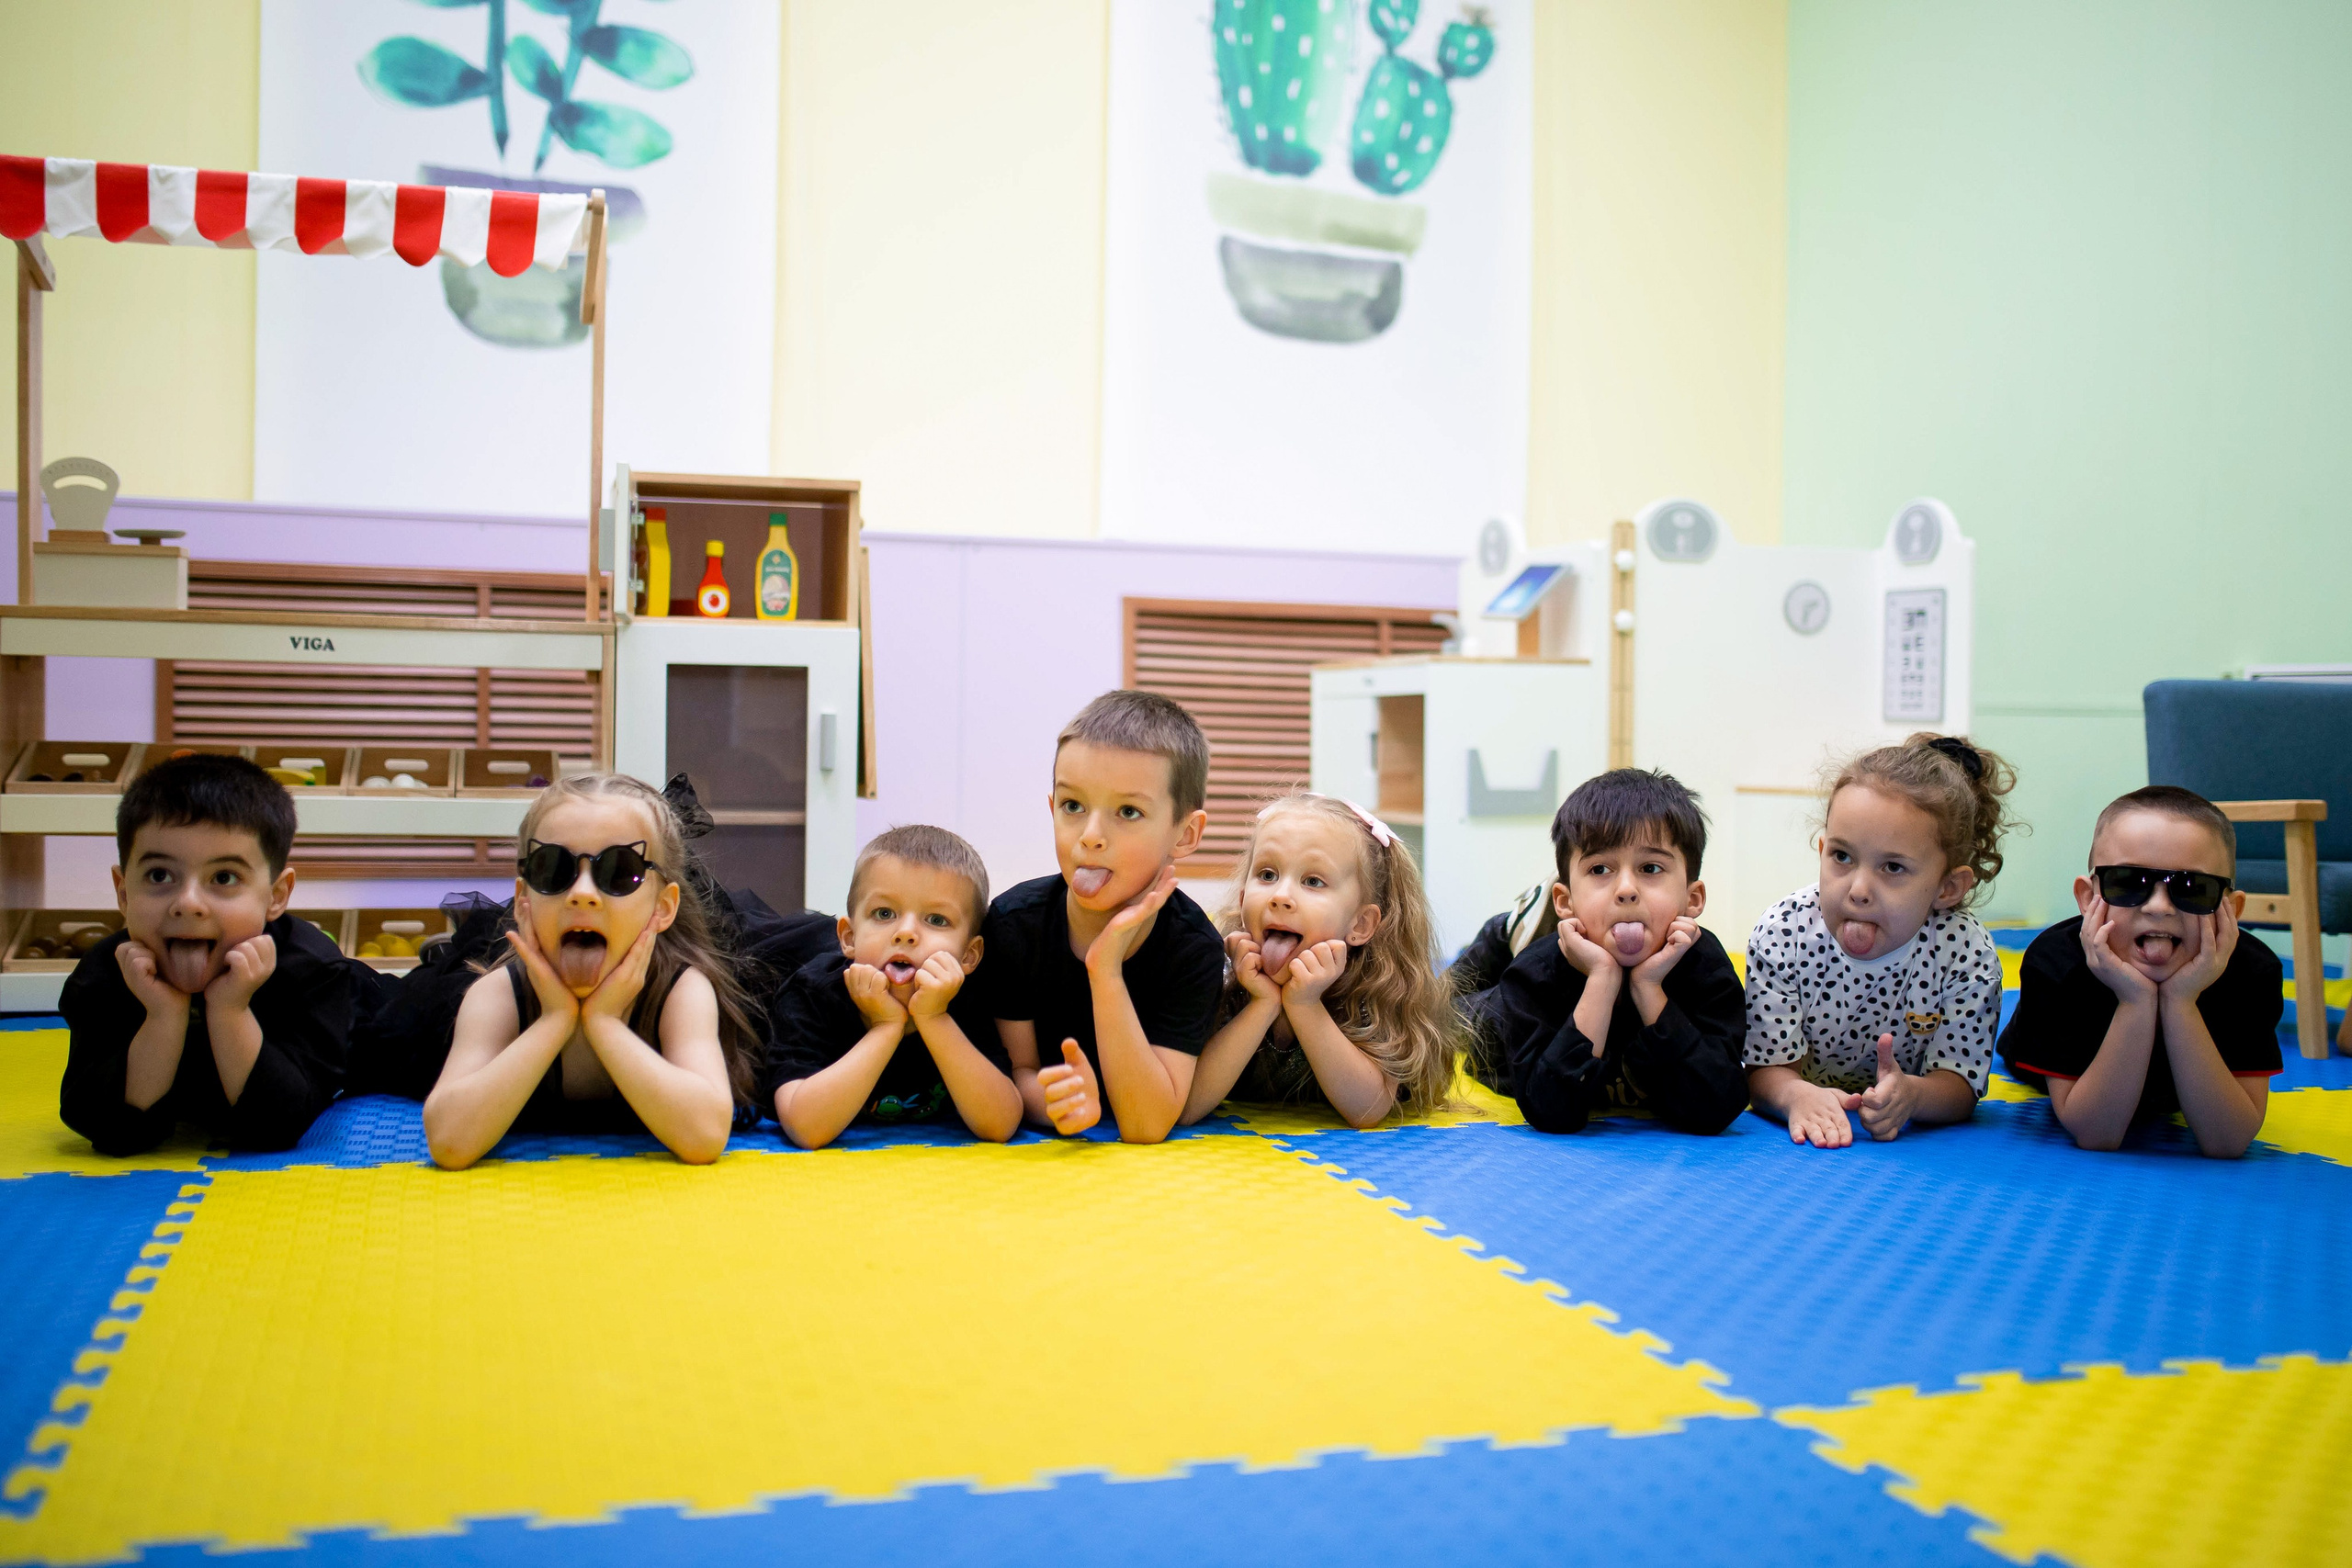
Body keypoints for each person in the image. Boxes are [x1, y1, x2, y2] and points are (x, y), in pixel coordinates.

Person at [422, 773, 762, 1168]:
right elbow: (448, 1142)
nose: (582, 894)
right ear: (522, 900)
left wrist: (604, 1023)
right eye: (553, 870)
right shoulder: (498, 995)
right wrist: (554, 1019)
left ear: (663, 908)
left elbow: (704, 1137)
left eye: (620, 872)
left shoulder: (680, 991)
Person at [60, 752, 360, 1156]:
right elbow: (104, 1126)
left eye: (223, 878)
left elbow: (278, 1127)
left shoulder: (312, 970)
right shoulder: (103, 975)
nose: (188, 903)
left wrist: (230, 1010)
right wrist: (163, 1017)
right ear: (123, 891)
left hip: (371, 1024)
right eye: (159, 875)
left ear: (276, 896)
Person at [971, 690, 1225, 1144]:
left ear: (1185, 834)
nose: (1090, 837)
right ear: (1053, 809)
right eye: (1073, 807)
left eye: (1128, 812)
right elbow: (1020, 1071)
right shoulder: (1012, 925)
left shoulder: (1194, 948)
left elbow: (1147, 1124)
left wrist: (1104, 969)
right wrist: (1055, 1105)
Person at [1743, 734, 2013, 1147]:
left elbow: (1959, 1085)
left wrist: (1914, 1097)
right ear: (1821, 850)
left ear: (1947, 887)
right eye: (1842, 857)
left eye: (1892, 867)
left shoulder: (1966, 955)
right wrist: (1795, 1096)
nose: (1859, 889)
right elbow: (1765, 1070)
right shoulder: (1784, 933)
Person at [1998, 785, 2278, 1158]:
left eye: (2193, 888)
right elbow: (2097, 1134)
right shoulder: (2055, 962)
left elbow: (2227, 1141)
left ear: (2231, 909)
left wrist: (2181, 1001)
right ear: (2087, 899)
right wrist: (2136, 1000)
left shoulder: (2251, 971)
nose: (2159, 906)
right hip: (2052, 1066)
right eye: (2128, 882)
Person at [1482, 769, 1748, 1134]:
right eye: (1600, 869)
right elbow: (1551, 1112)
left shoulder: (1706, 967)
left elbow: (1718, 1107)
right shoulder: (1534, 974)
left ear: (1693, 898)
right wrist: (1602, 979)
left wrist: (1648, 987)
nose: (1626, 889)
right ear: (1565, 901)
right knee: (1448, 1009)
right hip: (1490, 1011)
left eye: (1650, 868)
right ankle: (1512, 926)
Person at [1179, 793, 1457, 1128]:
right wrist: (1262, 1004)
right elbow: (1185, 1106)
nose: (1280, 896)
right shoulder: (1220, 973)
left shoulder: (1374, 987)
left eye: (1313, 881)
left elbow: (1367, 1111)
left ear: (1360, 924)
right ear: (1242, 900)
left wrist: (1305, 1005)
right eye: (1267, 875)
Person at [763, 825, 1022, 1148]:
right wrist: (886, 1027)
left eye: (937, 920)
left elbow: (1000, 1125)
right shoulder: (811, 993)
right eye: (884, 913)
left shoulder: (967, 997)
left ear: (969, 956)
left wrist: (934, 1018)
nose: (906, 933)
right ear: (849, 937)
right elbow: (806, 1128)